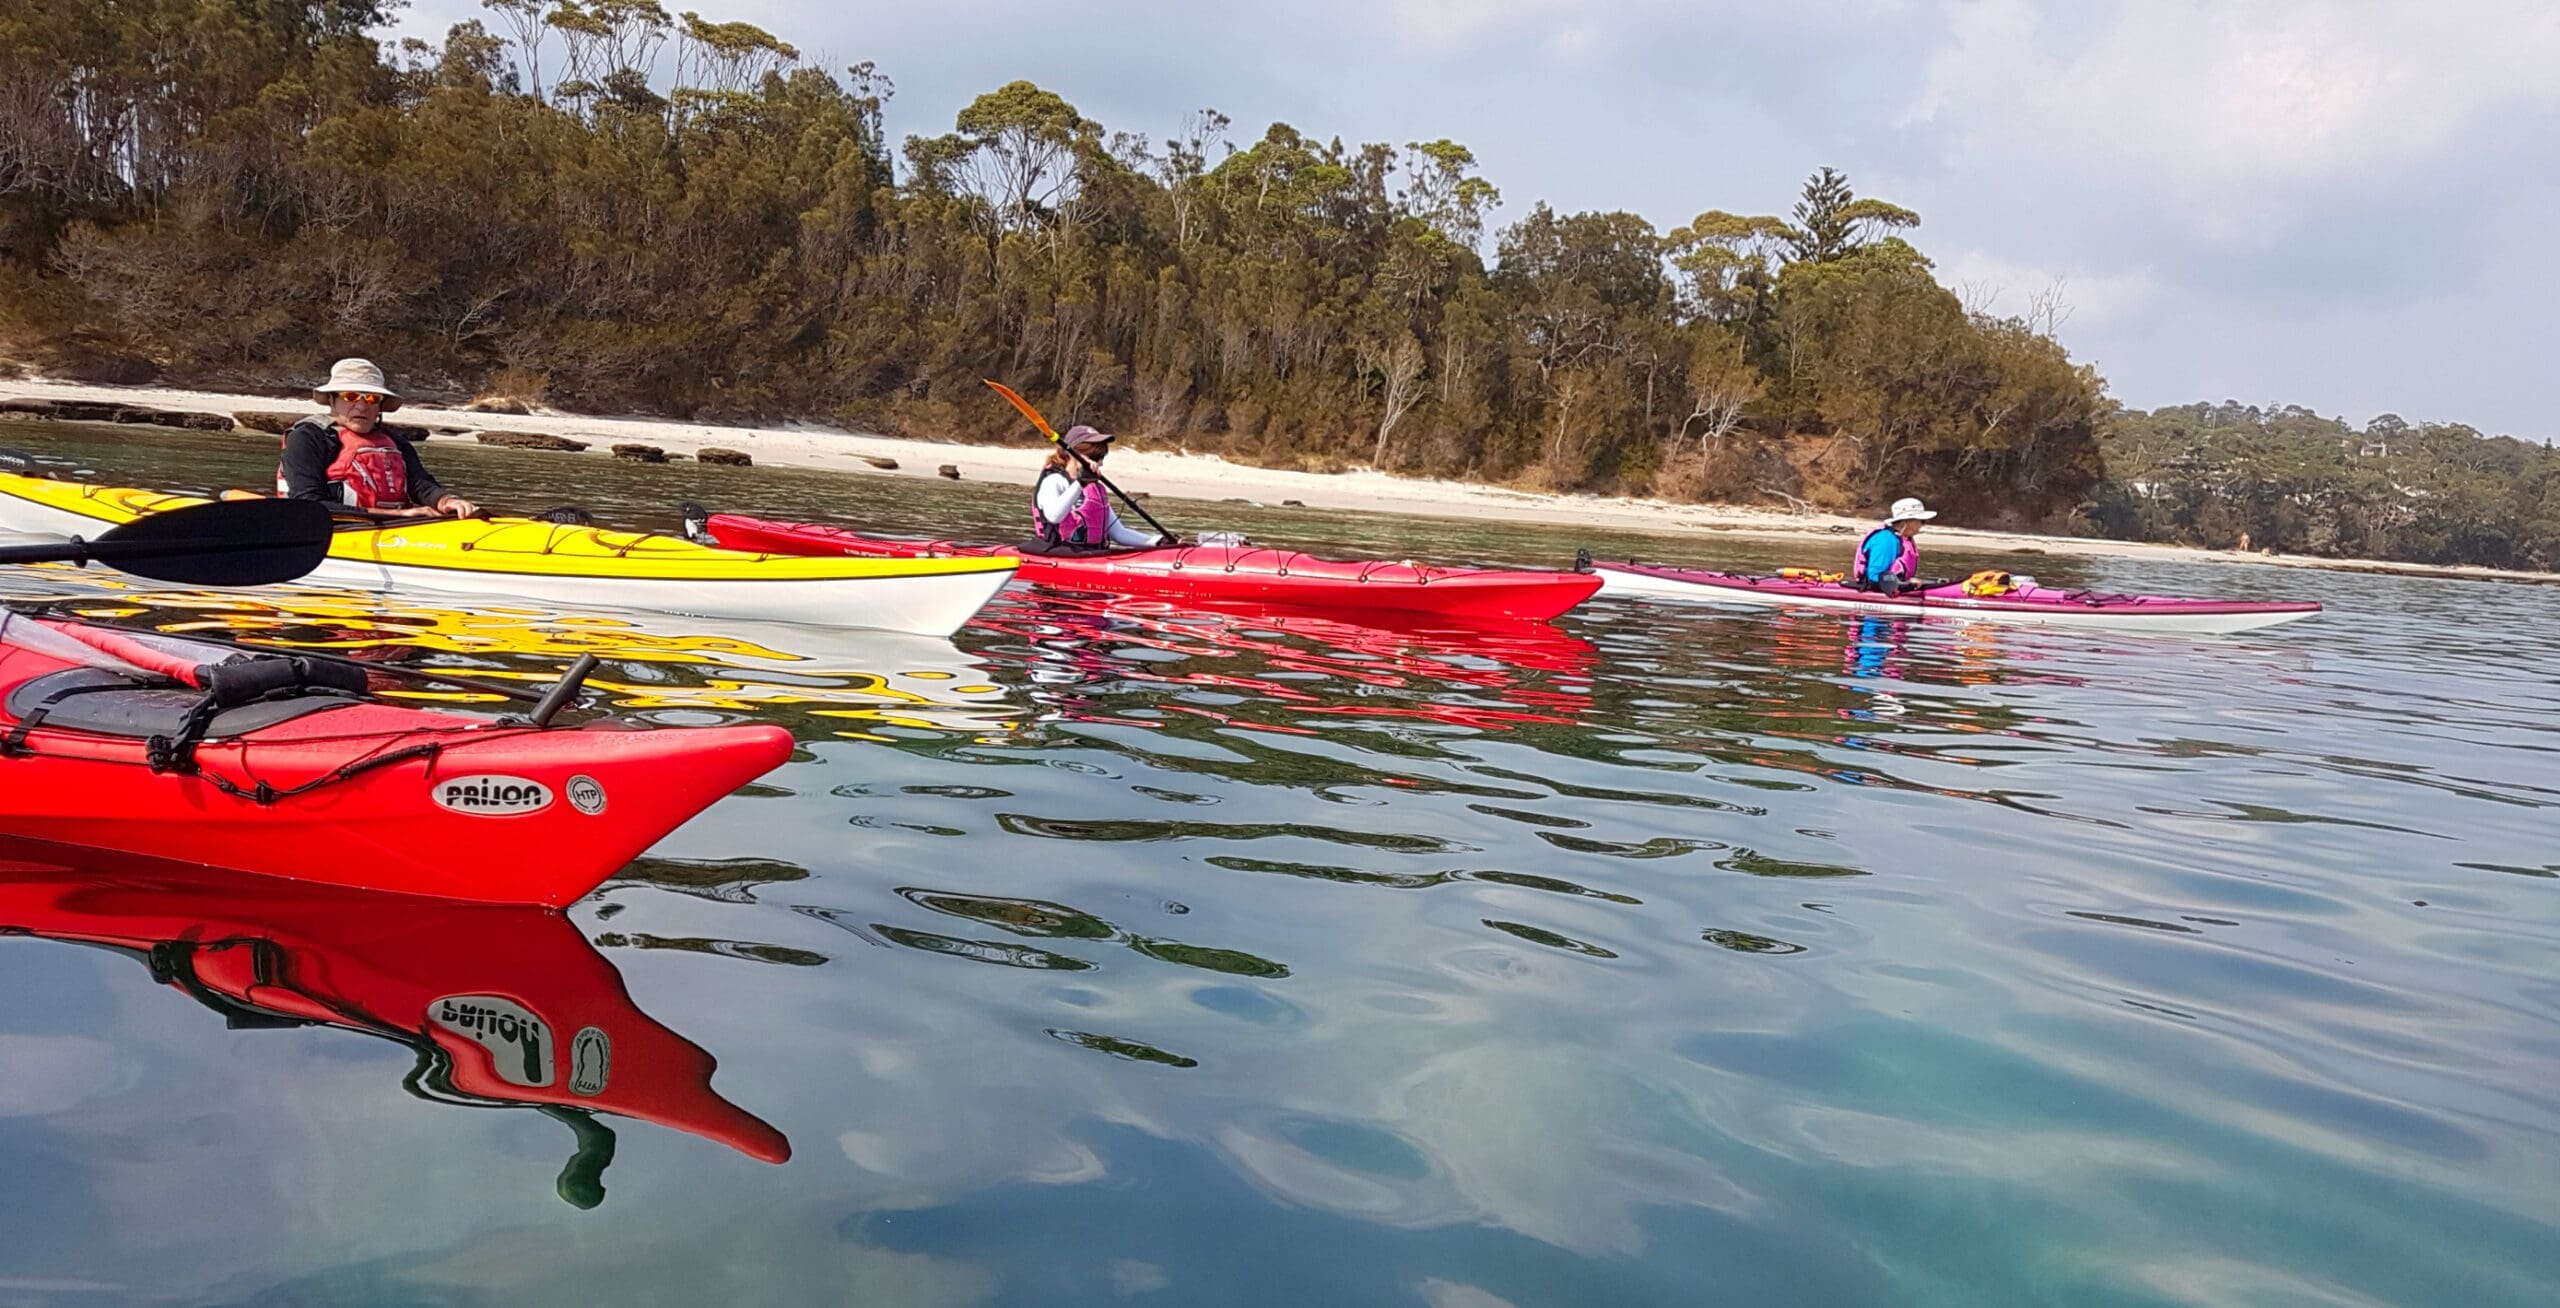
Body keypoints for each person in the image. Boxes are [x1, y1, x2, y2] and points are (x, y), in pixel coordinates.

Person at [277, 359, 478, 518]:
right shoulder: (307, 438)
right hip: (330, 528)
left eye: (372, 398)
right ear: (332, 399)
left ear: (380, 406)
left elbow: (420, 483)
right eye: (350, 396)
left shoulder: (396, 442)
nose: (362, 406)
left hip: (390, 526)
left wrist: (444, 500)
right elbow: (308, 502)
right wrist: (396, 515)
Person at [1028, 425, 1172, 553]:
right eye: (1096, 457)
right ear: (1073, 454)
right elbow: (1053, 517)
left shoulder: (1094, 488)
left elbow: (1119, 533)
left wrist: (1158, 541)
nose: (1101, 463)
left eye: (1102, 457)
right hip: (1056, 552)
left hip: (1090, 555)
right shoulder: (1054, 481)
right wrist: (1080, 483)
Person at [1850, 496, 1936, 593]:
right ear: (1905, 522)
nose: (1922, 525)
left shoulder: (1902, 538)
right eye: (1921, 521)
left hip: (1896, 588)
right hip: (1874, 591)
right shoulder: (1885, 540)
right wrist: (1906, 584)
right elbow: (1874, 578)